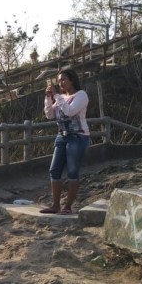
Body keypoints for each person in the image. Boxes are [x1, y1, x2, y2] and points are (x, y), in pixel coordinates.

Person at [40, 68, 90, 215]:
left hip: (78, 136)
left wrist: (57, 96)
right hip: (62, 136)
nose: (60, 83)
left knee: (72, 171)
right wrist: (49, 98)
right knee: (54, 170)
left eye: (63, 80)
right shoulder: (60, 97)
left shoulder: (81, 95)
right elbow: (49, 114)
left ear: (72, 80)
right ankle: (55, 205)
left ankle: (67, 206)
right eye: (59, 80)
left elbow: (69, 111)